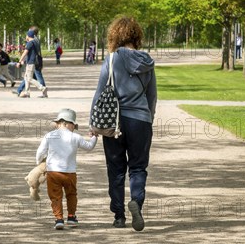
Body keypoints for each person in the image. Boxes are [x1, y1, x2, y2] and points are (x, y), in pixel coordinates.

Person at [90, 16, 157, 231]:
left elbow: (100, 92)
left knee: (116, 169)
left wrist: (94, 121)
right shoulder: (147, 61)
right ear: (136, 35)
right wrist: (149, 119)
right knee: (138, 167)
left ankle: (119, 215)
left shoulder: (111, 59)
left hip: (114, 121)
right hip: (140, 120)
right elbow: (152, 96)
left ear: (115, 35)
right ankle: (136, 201)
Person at [36, 108, 97, 230]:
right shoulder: (76, 137)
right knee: (71, 194)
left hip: (53, 172)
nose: (74, 127)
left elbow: (40, 152)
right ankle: (71, 217)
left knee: (55, 196)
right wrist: (94, 137)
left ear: (59, 123)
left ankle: (59, 219)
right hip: (70, 173)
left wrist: (39, 165)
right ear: (68, 123)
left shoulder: (49, 136)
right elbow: (89, 147)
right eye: (74, 125)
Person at [12, 26, 48, 97]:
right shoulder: (35, 41)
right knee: (26, 77)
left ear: (29, 35)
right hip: (33, 62)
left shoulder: (30, 43)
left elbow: (25, 52)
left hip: (32, 62)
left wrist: (20, 61)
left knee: (30, 78)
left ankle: (42, 88)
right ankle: (27, 92)